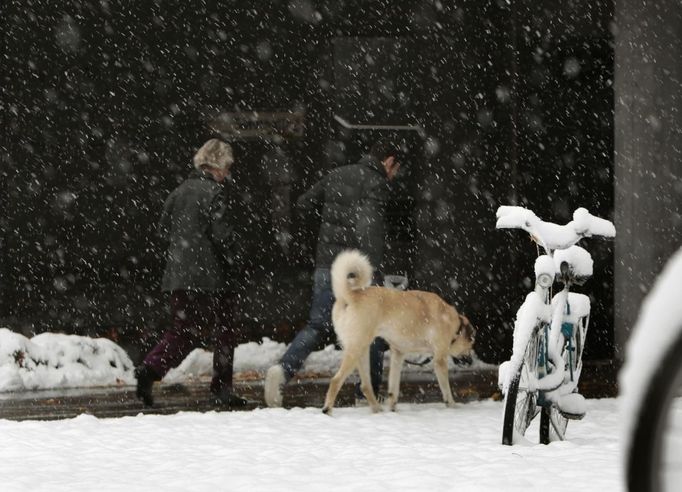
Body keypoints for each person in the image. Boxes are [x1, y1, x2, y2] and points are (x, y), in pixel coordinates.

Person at [264, 138, 401, 407]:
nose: (394, 176)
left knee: (317, 325)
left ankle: (282, 371)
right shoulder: (377, 183)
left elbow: (304, 203)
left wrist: (329, 224)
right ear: (389, 162)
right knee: (371, 330)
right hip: (356, 270)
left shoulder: (336, 174)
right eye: (395, 170)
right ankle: (367, 393)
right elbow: (370, 231)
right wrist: (372, 270)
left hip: (327, 265)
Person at [135, 138, 247, 408]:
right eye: (227, 167)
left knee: (183, 331)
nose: (228, 174)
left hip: (179, 275)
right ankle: (221, 390)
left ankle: (150, 368)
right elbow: (222, 236)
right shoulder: (215, 193)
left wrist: (185, 250)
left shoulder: (178, 192)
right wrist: (238, 260)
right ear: (217, 165)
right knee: (225, 332)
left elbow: (163, 230)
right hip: (214, 279)